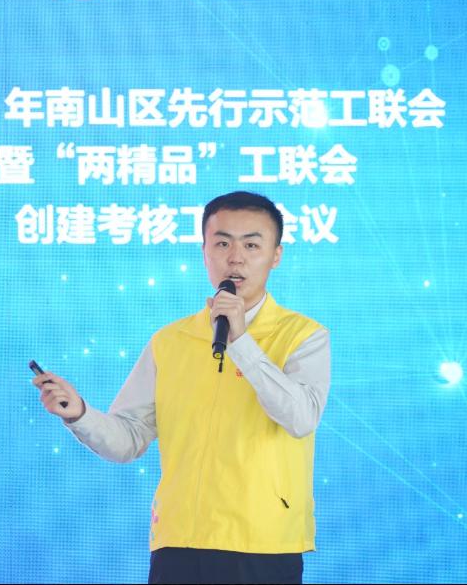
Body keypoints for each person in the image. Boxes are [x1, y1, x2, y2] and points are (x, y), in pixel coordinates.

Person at [32, 191, 331, 585]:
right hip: (179, 541)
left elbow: (301, 418)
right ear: (204, 251)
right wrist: (80, 414)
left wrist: (241, 342)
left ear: (276, 255)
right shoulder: (170, 341)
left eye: (251, 245)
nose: (235, 258)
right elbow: (128, 439)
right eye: (222, 243)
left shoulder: (303, 336)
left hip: (263, 543)